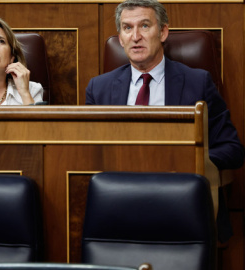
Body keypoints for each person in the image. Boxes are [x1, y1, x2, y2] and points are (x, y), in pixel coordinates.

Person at [85, 0, 244, 242]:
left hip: (180, 200)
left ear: (163, 32)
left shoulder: (197, 82)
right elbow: (86, 153)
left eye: (145, 26)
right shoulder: (99, 88)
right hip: (118, 202)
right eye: (127, 28)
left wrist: (189, 161)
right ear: (120, 38)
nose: (136, 36)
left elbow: (232, 149)